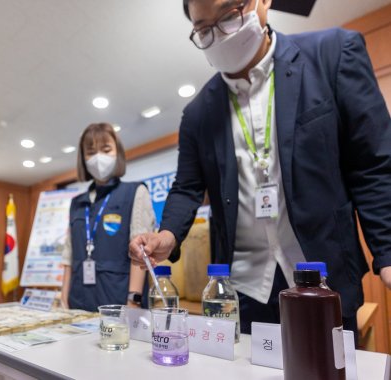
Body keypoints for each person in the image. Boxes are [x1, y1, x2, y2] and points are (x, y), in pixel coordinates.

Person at [129, 0, 391, 335]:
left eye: (228, 15)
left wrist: (387, 251)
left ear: (262, 2)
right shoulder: (197, 114)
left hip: (326, 277)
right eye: (204, 29)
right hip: (243, 288)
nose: (219, 35)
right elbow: (186, 187)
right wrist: (167, 235)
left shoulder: (333, 54)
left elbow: (373, 164)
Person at [61, 123, 156, 311]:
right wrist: (63, 299)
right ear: (83, 158)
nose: (98, 157)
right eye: (90, 152)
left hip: (118, 301)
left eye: (106, 149)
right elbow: (69, 255)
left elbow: (141, 252)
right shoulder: (77, 203)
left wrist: (133, 300)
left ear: (117, 153)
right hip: (78, 301)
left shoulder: (135, 192)